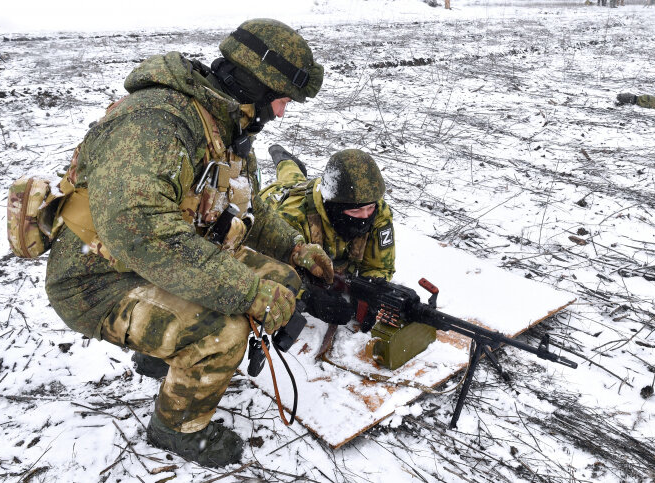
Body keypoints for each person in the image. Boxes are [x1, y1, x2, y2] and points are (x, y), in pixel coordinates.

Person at [45, 18, 333, 467]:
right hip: (96, 278)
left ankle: (163, 358)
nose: (281, 113)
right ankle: (176, 428)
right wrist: (249, 292)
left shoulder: (225, 125)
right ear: (253, 86)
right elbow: (142, 235)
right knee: (222, 331)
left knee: (284, 279)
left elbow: (246, 203)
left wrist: (295, 248)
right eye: (280, 101)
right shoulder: (155, 122)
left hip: (157, 260)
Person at [259, 147, 396, 284]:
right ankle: (281, 156)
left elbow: (380, 268)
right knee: (289, 176)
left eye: (370, 207)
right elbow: (275, 278)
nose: (365, 216)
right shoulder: (293, 218)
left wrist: (371, 291)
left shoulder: (378, 211)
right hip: (273, 198)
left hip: (320, 191)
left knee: (295, 176)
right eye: (355, 212)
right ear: (334, 207)